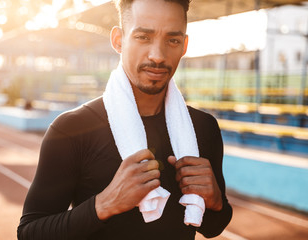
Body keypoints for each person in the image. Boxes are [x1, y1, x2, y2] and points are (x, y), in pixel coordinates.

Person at [17, 0, 232, 239]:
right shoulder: (71, 129)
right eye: (143, 37)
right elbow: (30, 233)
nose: (158, 56)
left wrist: (215, 202)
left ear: (184, 45)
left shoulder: (203, 127)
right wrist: (104, 205)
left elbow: (213, 227)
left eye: (172, 40)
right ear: (118, 40)